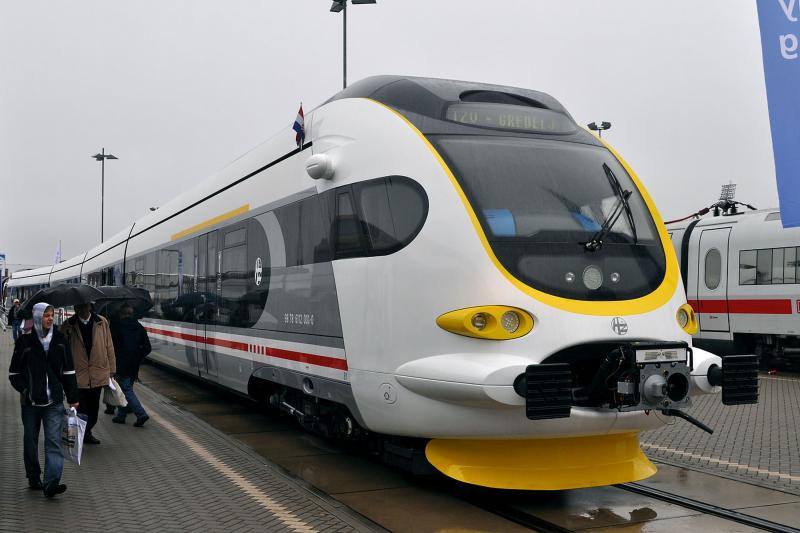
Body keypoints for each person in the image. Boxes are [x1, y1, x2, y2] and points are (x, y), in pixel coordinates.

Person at [8, 303, 79, 497]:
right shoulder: (25, 342)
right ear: (37, 317)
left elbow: (69, 372)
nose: (49, 318)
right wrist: (25, 389)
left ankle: (51, 483)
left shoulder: (60, 340)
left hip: (54, 402)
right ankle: (33, 476)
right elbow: (14, 373)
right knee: (30, 440)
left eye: (51, 315)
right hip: (30, 403)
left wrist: (73, 398)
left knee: (54, 441)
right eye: (46, 315)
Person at [61, 302, 116, 445]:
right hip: (77, 375)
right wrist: (64, 333)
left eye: (85, 307)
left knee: (93, 410)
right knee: (81, 409)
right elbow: (61, 348)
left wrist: (112, 369)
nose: (83, 310)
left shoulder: (101, 322)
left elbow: (109, 345)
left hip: (97, 373)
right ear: (75, 308)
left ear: (90, 307)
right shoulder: (69, 324)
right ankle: (79, 436)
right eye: (79, 307)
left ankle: (87, 431)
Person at [110, 303, 152, 427]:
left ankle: (141, 413)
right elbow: (147, 348)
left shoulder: (116, 326)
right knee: (125, 388)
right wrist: (138, 356)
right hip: (134, 365)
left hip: (121, 363)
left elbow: (111, 346)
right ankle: (121, 416)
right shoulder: (139, 327)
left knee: (125, 389)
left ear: (121, 314)